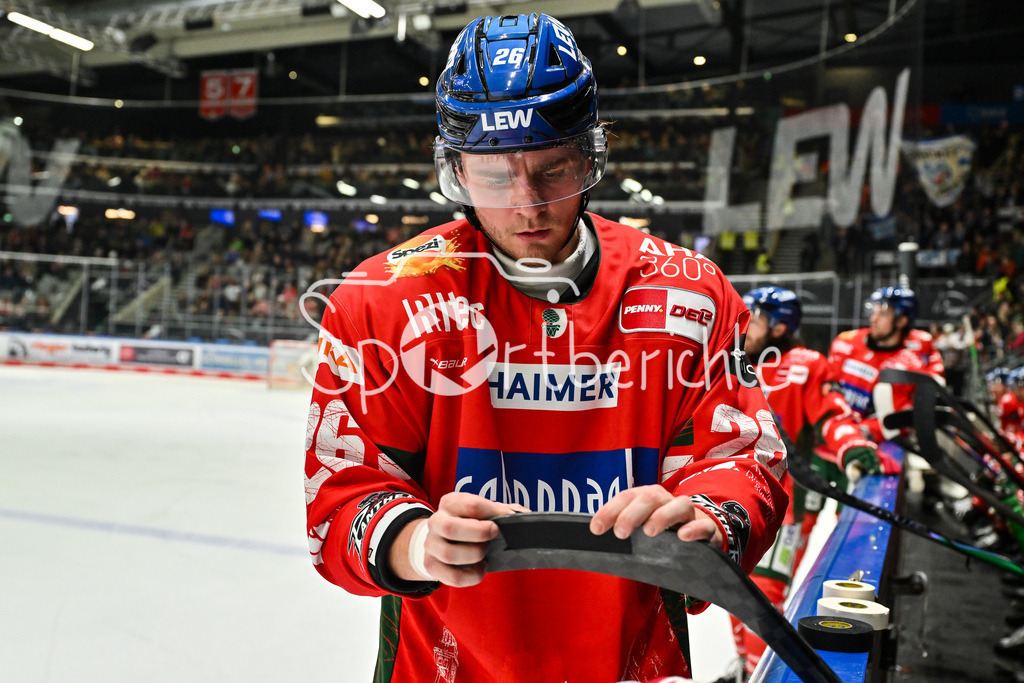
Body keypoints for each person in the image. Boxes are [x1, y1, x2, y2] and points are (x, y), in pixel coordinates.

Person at [303, 13, 788, 683]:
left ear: (590, 157)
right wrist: (414, 541)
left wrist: (711, 516)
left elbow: (741, 456)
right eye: (496, 176)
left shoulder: (688, 290)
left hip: (632, 662)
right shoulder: (381, 298)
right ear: (456, 169)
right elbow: (343, 493)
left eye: (552, 169)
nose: (528, 205)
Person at [722, 287, 894, 679]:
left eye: (759, 320)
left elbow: (833, 415)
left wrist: (852, 448)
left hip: (784, 502)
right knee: (731, 589)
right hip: (730, 494)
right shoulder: (729, 360)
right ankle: (746, 666)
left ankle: (757, 673)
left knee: (763, 593)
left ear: (781, 327)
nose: (748, 327)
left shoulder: (807, 364)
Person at [828, 285, 945, 443]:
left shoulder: (916, 355)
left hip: (880, 442)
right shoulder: (845, 342)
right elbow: (826, 391)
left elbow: (905, 415)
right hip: (834, 429)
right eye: (874, 311)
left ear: (901, 321)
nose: (873, 319)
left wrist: (861, 432)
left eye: (883, 314)